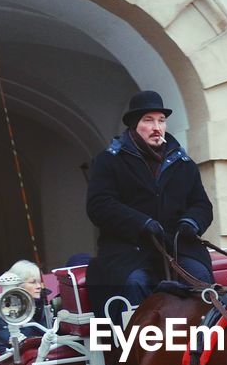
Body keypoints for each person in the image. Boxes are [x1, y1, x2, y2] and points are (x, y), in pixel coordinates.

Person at [85, 90, 214, 326]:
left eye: (161, 121)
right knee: (135, 281)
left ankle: (202, 345)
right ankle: (135, 352)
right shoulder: (109, 160)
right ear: (135, 125)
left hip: (177, 248)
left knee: (200, 275)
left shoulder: (184, 164)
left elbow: (202, 204)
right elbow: (99, 205)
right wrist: (141, 223)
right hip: (128, 251)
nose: (157, 127)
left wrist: (191, 222)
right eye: (149, 120)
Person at [0, 259, 49, 354]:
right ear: (18, 286)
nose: (39, 286)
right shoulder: (3, 317)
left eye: (39, 282)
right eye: (33, 282)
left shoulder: (46, 307)